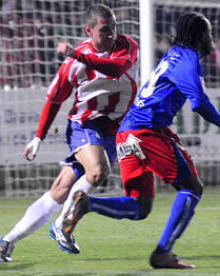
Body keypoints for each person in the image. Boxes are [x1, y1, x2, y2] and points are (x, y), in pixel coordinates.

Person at [58, 12, 220, 269]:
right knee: (191, 188)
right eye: (208, 33)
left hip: (126, 133)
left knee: (140, 207)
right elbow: (199, 103)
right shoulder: (188, 60)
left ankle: (86, 203)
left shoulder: (174, 54)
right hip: (148, 131)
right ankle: (162, 254)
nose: (212, 38)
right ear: (198, 36)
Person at [0, 4, 139, 262]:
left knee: (62, 189)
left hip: (113, 130)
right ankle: (63, 223)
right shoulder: (73, 64)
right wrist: (39, 136)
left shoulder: (127, 45)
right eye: (105, 30)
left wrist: (75, 54)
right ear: (89, 30)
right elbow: (54, 100)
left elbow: (116, 69)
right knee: (98, 171)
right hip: (84, 126)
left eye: (114, 28)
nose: (111, 35)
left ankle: (6, 242)